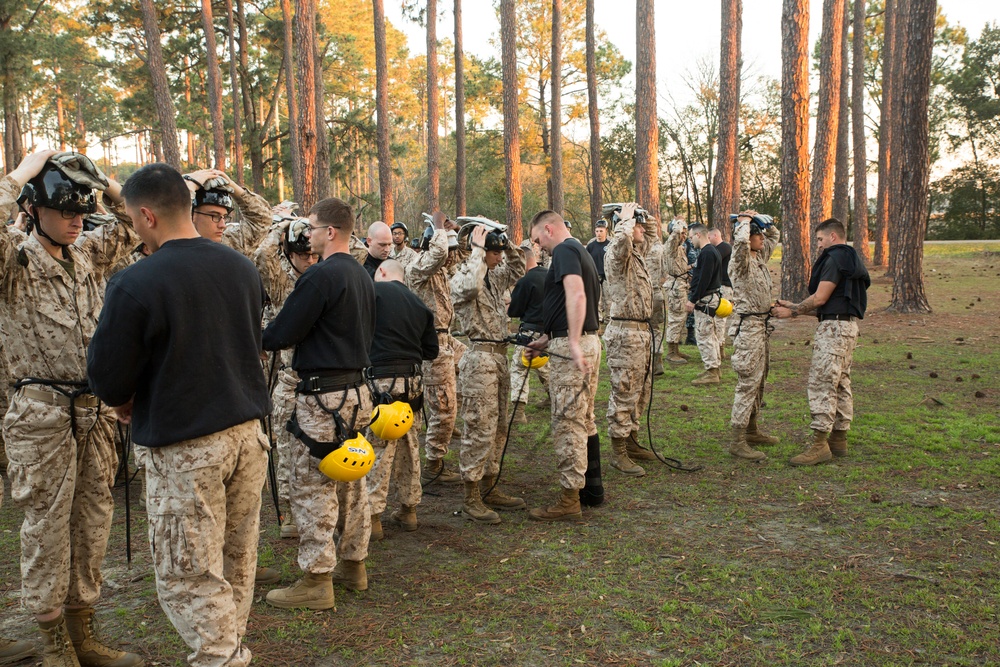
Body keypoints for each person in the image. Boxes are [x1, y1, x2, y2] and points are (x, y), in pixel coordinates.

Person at [87, 163, 271, 667]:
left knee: (188, 572)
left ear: (146, 215)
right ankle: (229, 649)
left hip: (187, 446)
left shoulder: (136, 281)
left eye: (130, 217)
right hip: (247, 435)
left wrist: (124, 401)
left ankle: (219, 658)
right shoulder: (241, 268)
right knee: (236, 559)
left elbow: (107, 377)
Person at [1, 150, 144, 667]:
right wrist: (23, 171)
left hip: (94, 411)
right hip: (40, 416)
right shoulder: (14, 260)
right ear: (35, 208)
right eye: (65, 208)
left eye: (82, 208)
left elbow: (134, 219)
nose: (77, 218)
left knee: (93, 519)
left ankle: (83, 632)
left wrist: (99, 179)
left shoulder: (89, 253)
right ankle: (50, 643)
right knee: (45, 526)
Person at [261, 197, 376, 606]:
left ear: (330, 232)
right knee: (351, 478)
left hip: (321, 395)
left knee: (311, 484)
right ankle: (353, 563)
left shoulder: (321, 276)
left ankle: (316, 578)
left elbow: (282, 333)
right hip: (357, 390)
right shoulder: (362, 276)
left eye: (311, 228)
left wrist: (254, 332)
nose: (306, 234)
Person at [773, 218, 870, 466]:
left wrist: (793, 313)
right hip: (847, 327)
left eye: (819, 239)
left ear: (833, 237)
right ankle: (839, 440)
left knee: (822, 383)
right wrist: (794, 306)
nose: (818, 245)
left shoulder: (834, 258)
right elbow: (831, 304)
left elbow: (820, 298)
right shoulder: (850, 260)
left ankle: (819, 445)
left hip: (834, 331)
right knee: (840, 382)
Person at [525, 210, 603, 519]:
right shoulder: (580, 250)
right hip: (585, 340)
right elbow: (564, 301)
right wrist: (546, 339)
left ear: (548, 229)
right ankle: (592, 490)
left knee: (568, 421)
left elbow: (576, 294)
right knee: (584, 416)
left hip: (575, 344)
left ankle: (570, 500)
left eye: (537, 240)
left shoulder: (566, 250)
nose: (538, 247)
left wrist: (570, 340)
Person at [450, 224, 526, 523]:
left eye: (498, 252)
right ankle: (471, 495)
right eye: (493, 253)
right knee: (479, 427)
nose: (498, 258)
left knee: (498, 426)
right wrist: (479, 252)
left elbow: (518, 267)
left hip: (499, 359)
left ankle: (489, 483)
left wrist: (506, 242)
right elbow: (469, 287)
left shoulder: (495, 276)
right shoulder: (464, 276)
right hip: (479, 358)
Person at [253, 217, 320, 540]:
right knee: (287, 449)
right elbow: (263, 258)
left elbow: (359, 251)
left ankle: (314, 512)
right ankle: (289, 511)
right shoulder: (282, 283)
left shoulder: (325, 277)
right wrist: (279, 227)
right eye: (303, 254)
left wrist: (319, 228)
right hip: (291, 381)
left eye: (314, 254)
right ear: (289, 252)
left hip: (322, 382)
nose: (310, 260)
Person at [366, 259, 439, 538]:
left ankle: (373, 517)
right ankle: (409, 510)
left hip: (379, 381)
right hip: (412, 384)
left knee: (378, 449)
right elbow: (431, 350)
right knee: (409, 446)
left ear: (382, 272)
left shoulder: (371, 294)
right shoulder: (419, 305)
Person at [405, 213, 463, 484]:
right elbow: (440, 251)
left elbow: (459, 254)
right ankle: (434, 462)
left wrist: (456, 231)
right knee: (443, 407)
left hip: (448, 339)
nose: (451, 255)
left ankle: (450, 432)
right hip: (433, 345)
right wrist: (439, 228)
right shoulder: (418, 268)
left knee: (475, 367)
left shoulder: (440, 269)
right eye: (447, 250)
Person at [602, 203, 658, 477]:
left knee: (640, 392)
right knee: (624, 391)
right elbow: (622, 240)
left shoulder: (637, 255)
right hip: (625, 334)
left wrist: (643, 216)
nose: (641, 229)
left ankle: (632, 439)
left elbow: (652, 236)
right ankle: (618, 451)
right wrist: (623, 220)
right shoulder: (616, 253)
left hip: (641, 332)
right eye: (637, 224)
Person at [727, 212, 781, 461]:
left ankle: (752, 429)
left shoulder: (758, 257)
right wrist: (744, 222)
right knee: (748, 381)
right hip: (747, 327)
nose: (762, 238)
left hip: (761, 326)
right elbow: (739, 243)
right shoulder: (741, 260)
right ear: (748, 238)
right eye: (756, 235)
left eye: (759, 234)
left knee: (760, 381)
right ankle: (738, 440)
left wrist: (763, 220)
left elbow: (774, 235)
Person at [182, 168, 270, 257]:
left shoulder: (228, 242)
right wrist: (188, 188)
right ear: (192, 215)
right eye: (214, 216)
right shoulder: (176, 247)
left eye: (224, 217)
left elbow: (262, 220)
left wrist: (232, 186)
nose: (222, 225)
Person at [507, 243, 550, 424]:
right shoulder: (550, 275)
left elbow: (514, 311)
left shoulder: (525, 281)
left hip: (530, 331)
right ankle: (554, 396)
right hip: (549, 332)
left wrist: (511, 303)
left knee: (519, 367)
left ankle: (518, 411)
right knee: (545, 367)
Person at [685, 224, 724, 386]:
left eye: (691, 236)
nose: (690, 239)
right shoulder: (710, 252)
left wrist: (693, 299)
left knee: (704, 336)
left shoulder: (707, 253)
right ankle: (713, 368)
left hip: (705, 299)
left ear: (699, 235)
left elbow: (704, 280)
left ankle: (712, 371)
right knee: (710, 335)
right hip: (709, 297)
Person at [664, 217, 692, 364]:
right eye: (682, 233)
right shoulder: (671, 246)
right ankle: (670, 352)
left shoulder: (681, 249)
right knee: (675, 319)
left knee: (681, 318)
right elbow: (674, 236)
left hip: (681, 284)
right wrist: (679, 223)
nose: (684, 236)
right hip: (675, 288)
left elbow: (678, 267)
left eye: (685, 234)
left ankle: (676, 349)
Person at [645, 220, 667, 375]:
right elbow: (666, 274)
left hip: (644, 294)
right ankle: (658, 360)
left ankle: (648, 361)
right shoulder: (661, 248)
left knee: (644, 327)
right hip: (658, 293)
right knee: (656, 328)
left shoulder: (640, 246)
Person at [709, 226, 734, 358]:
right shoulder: (718, 249)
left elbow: (712, 260)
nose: (708, 240)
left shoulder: (724, 247)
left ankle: (720, 347)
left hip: (724, 287)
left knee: (720, 319)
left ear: (715, 236)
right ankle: (718, 346)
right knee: (717, 319)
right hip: (720, 286)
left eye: (709, 237)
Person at [585, 220, 610, 323]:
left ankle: (609, 318)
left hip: (607, 276)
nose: (599, 233)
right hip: (595, 275)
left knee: (609, 300)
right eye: (597, 231)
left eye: (601, 231)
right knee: (596, 300)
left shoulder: (610, 245)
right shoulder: (591, 246)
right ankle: (598, 319)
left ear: (606, 231)